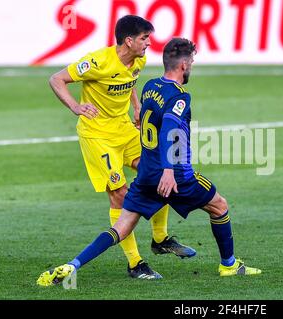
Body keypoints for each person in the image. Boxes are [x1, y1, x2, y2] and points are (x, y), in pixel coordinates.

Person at [37, 37, 261, 286]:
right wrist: (168, 170)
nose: (193, 66)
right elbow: (168, 129)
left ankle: (72, 265)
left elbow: (145, 117)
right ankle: (228, 265)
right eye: (193, 62)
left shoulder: (150, 87)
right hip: (175, 176)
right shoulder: (180, 97)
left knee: (120, 228)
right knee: (219, 206)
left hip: (145, 175)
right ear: (184, 66)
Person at [47, 15, 196, 279]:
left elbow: (130, 82)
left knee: (159, 170)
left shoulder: (138, 59)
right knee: (120, 193)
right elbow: (56, 79)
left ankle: (160, 239)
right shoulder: (97, 61)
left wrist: (137, 106)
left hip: (124, 129)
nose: (149, 43)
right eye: (144, 38)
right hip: (98, 136)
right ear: (129, 40)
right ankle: (135, 263)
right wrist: (75, 107)